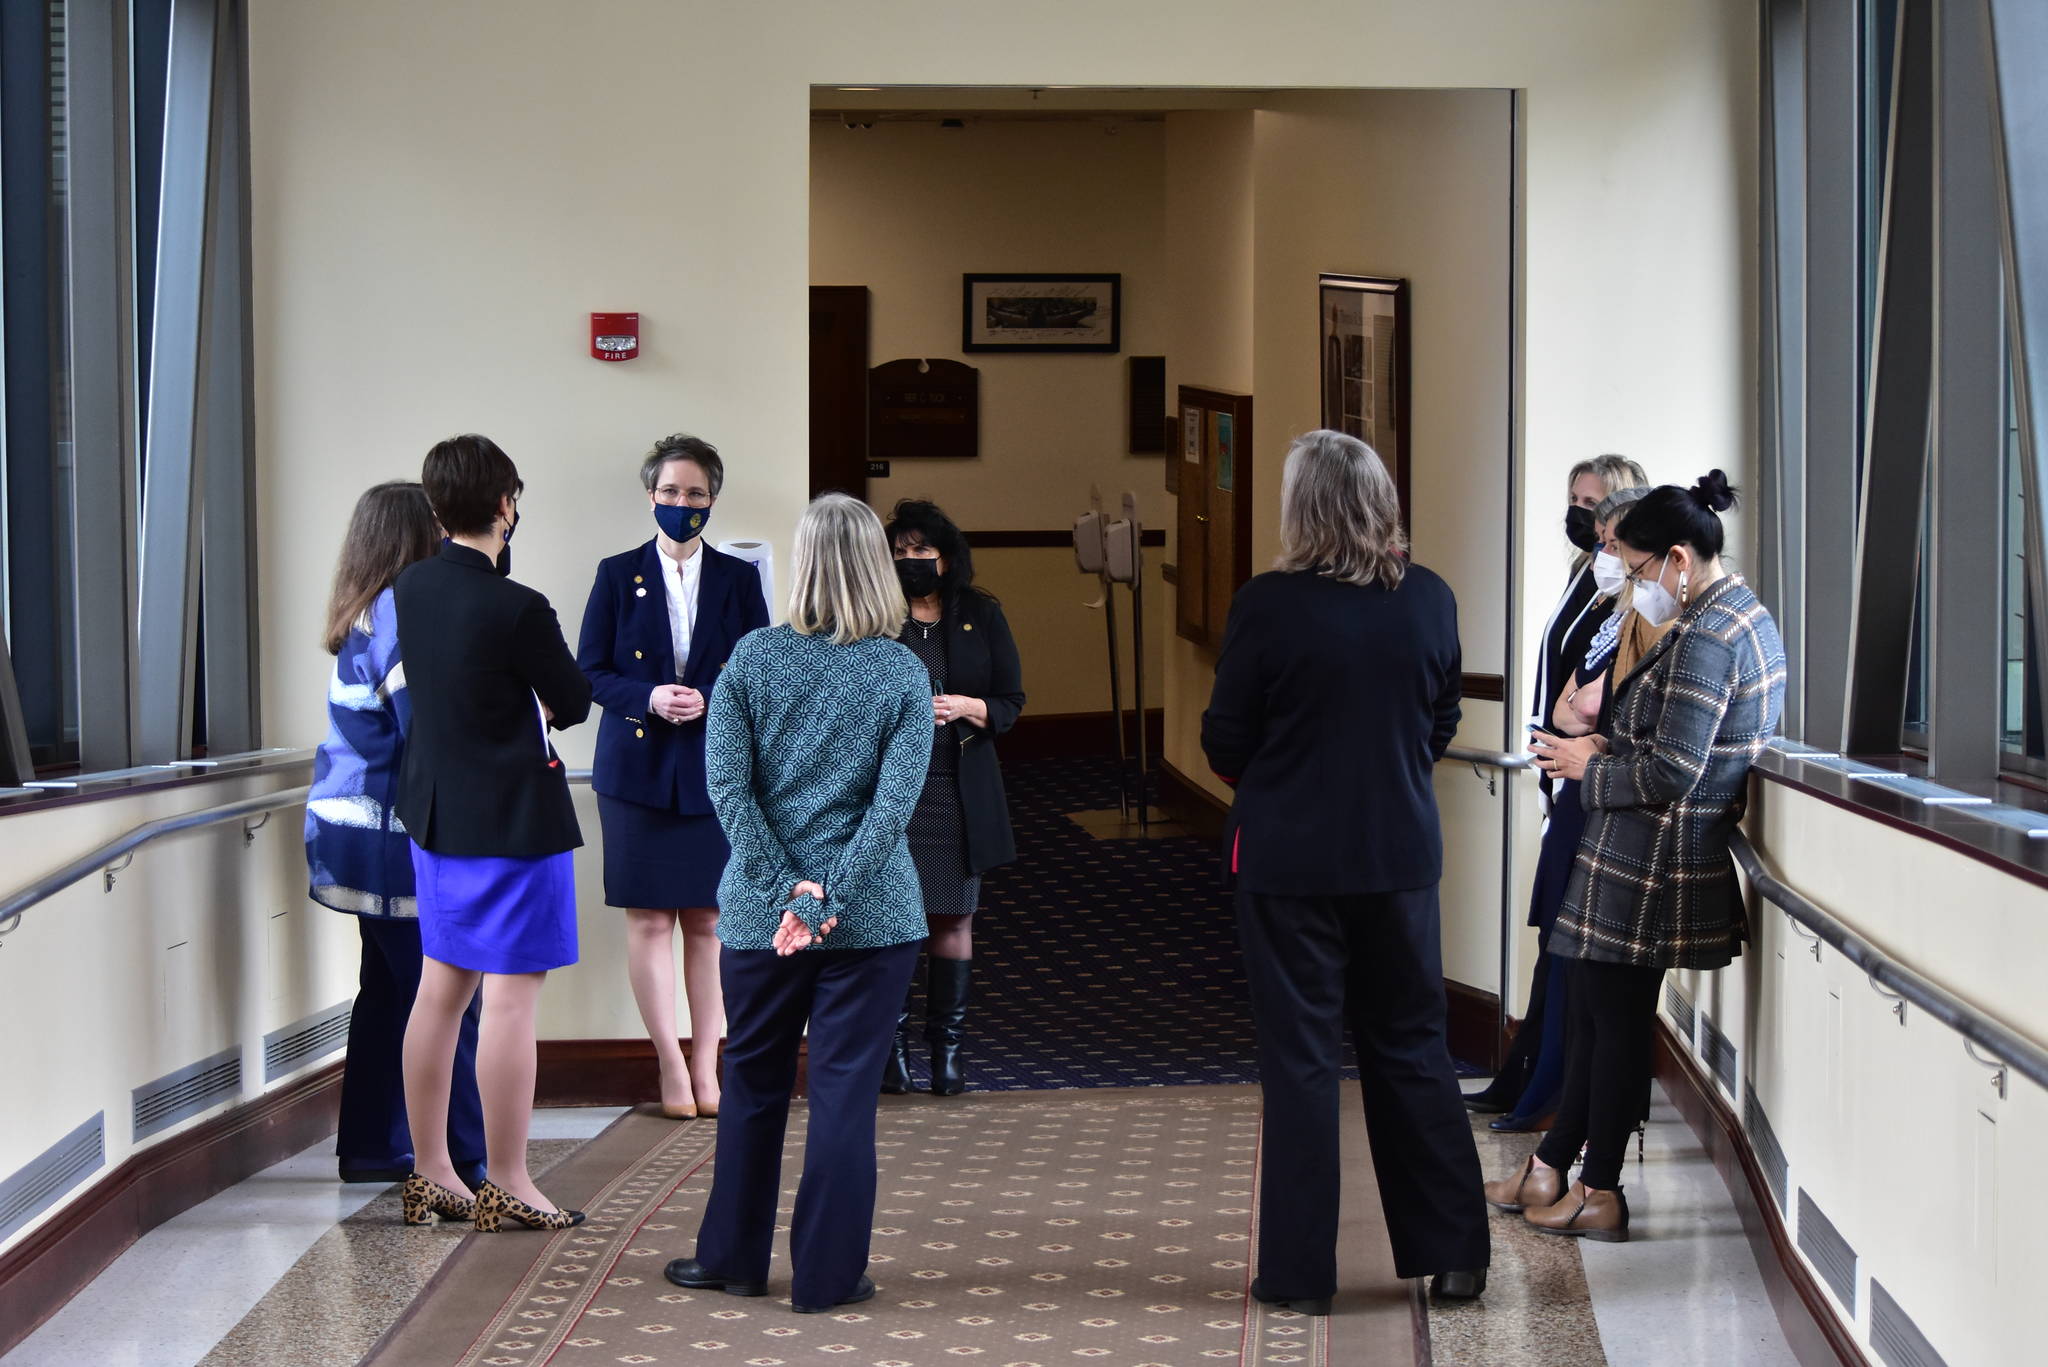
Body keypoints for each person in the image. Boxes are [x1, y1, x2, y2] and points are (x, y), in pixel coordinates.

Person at [1201, 430, 1489, 1311]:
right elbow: (1441, 719)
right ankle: (1456, 1254)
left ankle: (1297, 1273)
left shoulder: (1268, 604)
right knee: (1413, 1049)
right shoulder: (1430, 598)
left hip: (1288, 862)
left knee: (1301, 1064)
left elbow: (1225, 738)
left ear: (1301, 508)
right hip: (1399, 855)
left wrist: (1282, 781)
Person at [1491, 470, 1786, 1242]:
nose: (1640, 586)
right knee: (1595, 1013)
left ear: (1680, 559)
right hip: (1637, 849)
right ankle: (1562, 1165)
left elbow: (1675, 769)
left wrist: (1594, 763)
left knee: (1615, 1025)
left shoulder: (1713, 634)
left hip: (1654, 856)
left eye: (1645, 570)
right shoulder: (1728, 616)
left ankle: (1600, 1186)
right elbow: (1662, 745)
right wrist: (1602, 742)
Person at [664, 492, 934, 1314]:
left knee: (750, 1082)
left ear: (804, 562)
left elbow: (728, 792)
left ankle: (733, 1259)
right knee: (846, 1092)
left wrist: (789, 893)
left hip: (758, 914)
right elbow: (893, 811)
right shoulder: (902, 670)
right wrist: (827, 900)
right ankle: (825, 1276)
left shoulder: (750, 659)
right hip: (873, 916)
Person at [393, 434, 594, 1233]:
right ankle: (508, 1178)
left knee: (439, 994)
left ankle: (433, 1170)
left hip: (439, 820)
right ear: (507, 502)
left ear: (437, 507)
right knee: (511, 1004)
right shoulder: (519, 605)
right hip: (513, 822)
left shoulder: (410, 586)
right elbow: (573, 696)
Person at [578, 434, 768, 1120]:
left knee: (710, 920)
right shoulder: (615, 571)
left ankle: (706, 1063)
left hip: (715, 767)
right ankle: (667, 1060)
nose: (681, 504)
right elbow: (590, 670)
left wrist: (716, 696)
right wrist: (649, 697)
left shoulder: (739, 579)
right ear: (650, 495)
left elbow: (758, 668)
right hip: (636, 766)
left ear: (712, 499)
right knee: (650, 920)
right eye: (669, 492)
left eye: (694, 493)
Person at [306, 481, 487, 1188]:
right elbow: (430, 728)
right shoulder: (401, 614)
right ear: (419, 538)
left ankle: (374, 1146)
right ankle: (466, 1159)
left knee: (386, 992)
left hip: (348, 834)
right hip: (389, 838)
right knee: (446, 998)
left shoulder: (364, 610)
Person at [1466, 452, 1648, 1117]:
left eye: (1594, 507)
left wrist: (1580, 732)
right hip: (1562, 777)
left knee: (1573, 949)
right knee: (1554, 946)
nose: (1583, 520)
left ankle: (1548, 1093)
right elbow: (1567, 690)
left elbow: (1592, 703)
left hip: (1592, 782)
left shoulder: (1632, 599)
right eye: (1575, 503)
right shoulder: (1586, 577)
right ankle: (1526, 1076)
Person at [878, 499, 1025, 1096]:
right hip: (893, 792)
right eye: (902, 552)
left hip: (959, 787)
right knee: (891, 923)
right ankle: (892, 1055)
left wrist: (968, 707)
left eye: (923, 552)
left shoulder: (979, 613)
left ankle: (948, 1053)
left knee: (953, 920)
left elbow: (1012, 701)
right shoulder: (875, 616)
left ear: (947, 557)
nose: (912, 561)